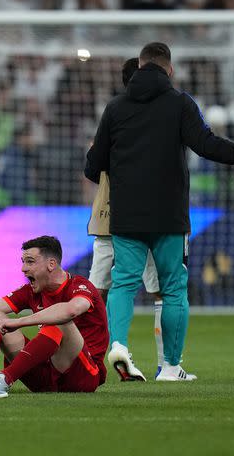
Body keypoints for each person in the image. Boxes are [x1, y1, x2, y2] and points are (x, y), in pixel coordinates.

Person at [85, 42, 234, 382]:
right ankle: (170, 366)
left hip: (126, 215)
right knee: (172, 289)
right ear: (170, 69)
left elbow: (94, 167)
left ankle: (118, 343)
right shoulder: (179, 103)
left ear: (139, 67)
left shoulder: (116, 107)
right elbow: (208, 145)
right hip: (168, 215)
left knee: (122, 284)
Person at [87, 56, 163, 381]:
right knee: (162, 291)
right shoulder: (156, 117)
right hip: (148, 218)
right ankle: (168, 365)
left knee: (93, 293)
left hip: (105, 215)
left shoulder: (112, 114)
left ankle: (87, 360)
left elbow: (92, 166)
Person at [0, 236, 109, 397]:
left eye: (30, 262)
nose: (23, 268)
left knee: (60, 320)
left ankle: (3, 380)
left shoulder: (80, 286)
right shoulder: (31, 290)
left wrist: (19, 322)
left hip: (82, 377)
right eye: (23, 262)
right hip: (44, 375)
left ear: (51, 264)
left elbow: (71, 310)